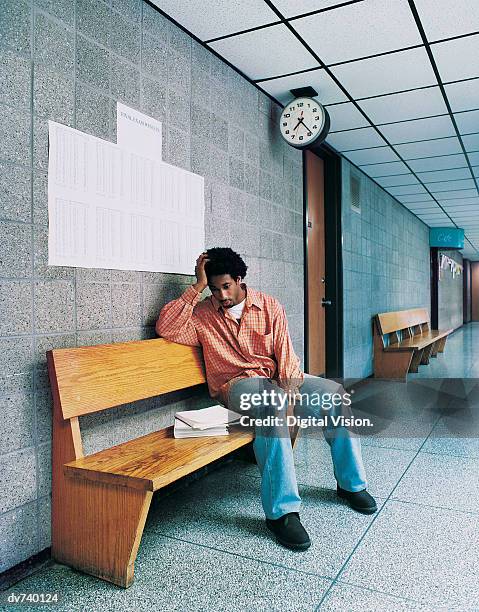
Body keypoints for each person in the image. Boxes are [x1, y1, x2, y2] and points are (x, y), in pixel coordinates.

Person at [156, 247, 376, 551]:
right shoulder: (203, 314)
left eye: (226, 286)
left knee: (334, 394)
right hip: (236, 386)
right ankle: (282, 513)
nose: (221, 295)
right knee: (272, 403)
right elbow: (166, 327)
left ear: (240, 279)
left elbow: (286, 353)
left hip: (279, 379)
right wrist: (196, 287)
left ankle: (351, 485)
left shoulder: (269, 306)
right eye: (214, 288)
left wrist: (290, 390)